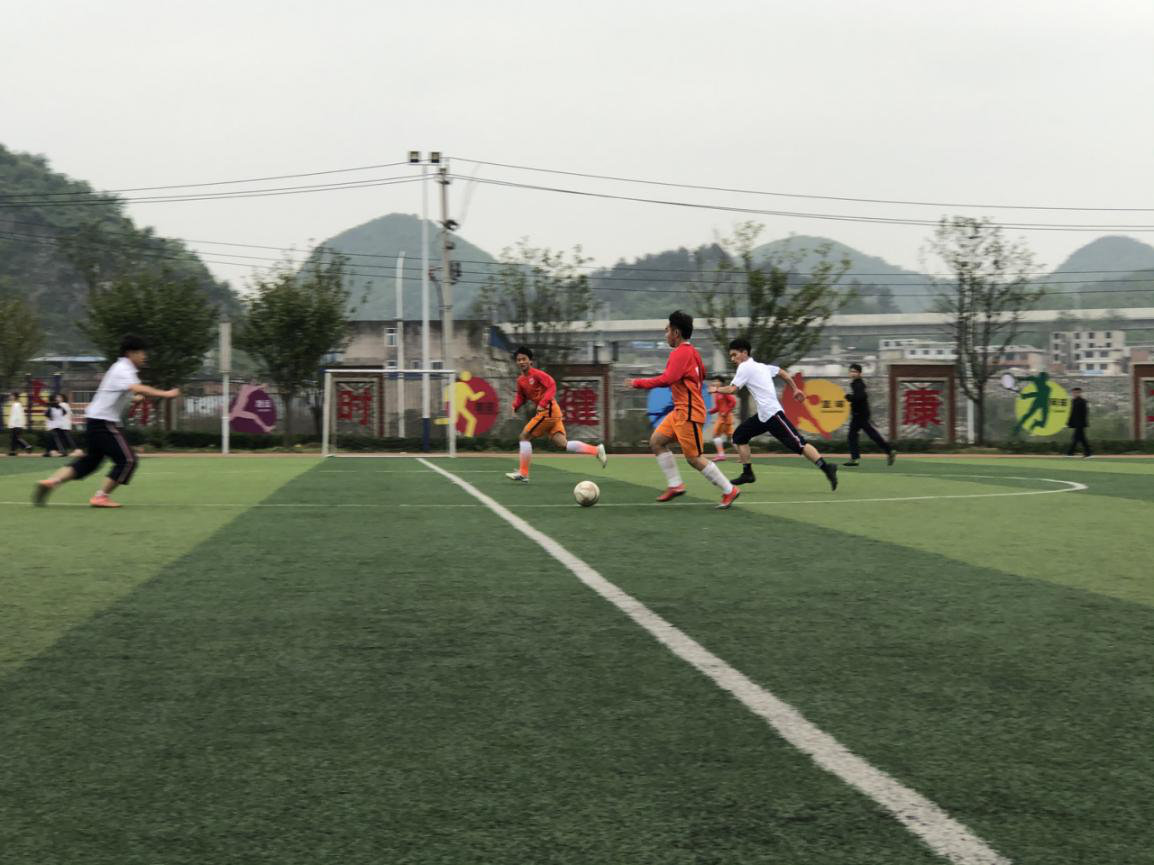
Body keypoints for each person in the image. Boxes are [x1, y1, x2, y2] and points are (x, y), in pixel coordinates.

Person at [33, 335, 180, 508]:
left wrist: (135, 399)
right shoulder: (124, 369)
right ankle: (101, 496)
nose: (144, 356)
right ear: (130, 353)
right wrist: (166, 394)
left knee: (90, 461)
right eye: (142, 352)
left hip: (94, 420)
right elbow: (137, 388)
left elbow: (117, 393)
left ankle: (52, 481)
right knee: (128, 460)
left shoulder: (119, 368)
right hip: (104, 422)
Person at [627, 311, 740, 509]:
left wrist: (638, 383)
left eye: (667, 330)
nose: (666, 334)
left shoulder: (680, 353)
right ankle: (675, 485)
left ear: (676, 333)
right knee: (656, 442)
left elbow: (667, 379)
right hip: (681, 411)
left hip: (688, 412)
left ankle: (729, 490)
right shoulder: (693, 353)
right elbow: (700, 375)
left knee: (694, 458)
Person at [711, 338, 838, 491]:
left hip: (772, 415)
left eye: (734, 355)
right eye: (731, 356)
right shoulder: (762, 367)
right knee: (739, 436)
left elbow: (732, 389)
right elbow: (782, 373)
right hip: (763, 416)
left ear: (744, 352)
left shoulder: (745, 367)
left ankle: (827, 468)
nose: (732, 359)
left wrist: (716, 389)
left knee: (799, 444)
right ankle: (747, 473)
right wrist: (795, 389)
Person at [505, 346, 606, 483]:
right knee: (562, 444)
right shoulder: (520, 380)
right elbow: (521, 397)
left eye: (524, 359)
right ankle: (596, 450)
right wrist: (514, 406)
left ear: (530, 361)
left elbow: (552, 385)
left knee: (524, 436)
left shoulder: (537, 374)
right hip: (551, 411)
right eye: (519, 360)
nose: (521, 362)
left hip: (548, 410)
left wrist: (542, 403)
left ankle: (523, 473)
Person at [843, 363, 895, 467]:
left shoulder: (858, 384)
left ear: (860, 373)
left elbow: (861, 396)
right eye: (851, 371)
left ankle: (855, 459)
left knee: (859, 435)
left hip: (860, 415)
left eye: (855, 372)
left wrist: (849, 397)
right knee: (859, 435)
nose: (853, 373)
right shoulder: (856, 383)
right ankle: (889, 451)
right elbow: (860, 396)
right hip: (859, 414)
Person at [708, 375, 736, 461]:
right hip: (724, 418)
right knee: (732, 438)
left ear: (722, 383)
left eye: (717, 381)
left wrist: (725, 412)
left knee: (715, 435)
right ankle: (743, 454)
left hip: (724, 418)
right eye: (714, 381)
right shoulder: (717, 394)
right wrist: (709, 412)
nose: (715, 383)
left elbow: (733, 402)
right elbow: (718, 408)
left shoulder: (724, 392)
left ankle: (721, 455)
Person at [1066, 386, 1092, 458]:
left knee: (1076, 438)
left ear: (1080, 393)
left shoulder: (1083, 401)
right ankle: (1088, 453)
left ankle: (1070, 453)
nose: (1075, 394)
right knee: (1081, 439)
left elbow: (1085, 413)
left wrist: (1082, 423)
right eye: (1074, 393)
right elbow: (1072, 413)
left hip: (1080, 424)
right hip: (1076, 423)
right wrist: (1070, 422)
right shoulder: (1073, 401)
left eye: (1076, 392)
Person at [6, 392, 34, 456]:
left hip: (16, 425)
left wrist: (14, 425)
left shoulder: (16, 405)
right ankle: (15, 450)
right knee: (14, 438)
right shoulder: (17, 404)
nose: (10, 397)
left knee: (15, 438)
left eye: (11, 395)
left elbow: (17, 416)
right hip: (16, 425)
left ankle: (24, 447)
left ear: (14, 396)